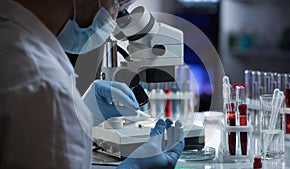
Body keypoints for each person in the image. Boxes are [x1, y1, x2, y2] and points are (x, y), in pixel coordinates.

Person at [0, 0, 184, 169]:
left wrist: (78, 120)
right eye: (116, 3)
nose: (115, 16)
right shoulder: (44, 84)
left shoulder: (10, 38)